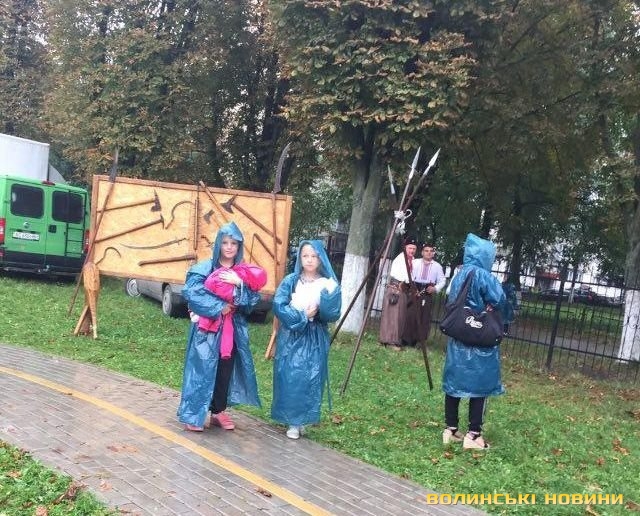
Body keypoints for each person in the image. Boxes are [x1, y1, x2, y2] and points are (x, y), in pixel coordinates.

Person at [177, 222, 263, 432]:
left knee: (225, 370)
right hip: (207, 330)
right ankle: (193, 413)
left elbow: (252, 301)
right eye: (225, 242)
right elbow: (192, 292)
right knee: (201, 368)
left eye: (234, 243)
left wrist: (239, 283)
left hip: (231, 330)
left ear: (239, 246)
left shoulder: (243, 272)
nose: (229, 247)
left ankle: (218, 411)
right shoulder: (204, 269)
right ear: (218, 244)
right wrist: (219, 306)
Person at [441, 233, 513, 450]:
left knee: (454, 385)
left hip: (459, 338)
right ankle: (473, 435)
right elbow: (500, 301)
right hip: (481, 340)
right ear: (486, 256)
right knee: (480, 387)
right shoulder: (484, 276)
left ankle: (451, 429)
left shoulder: (459, 275)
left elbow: (451, 299)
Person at [271, 240, 341, 439]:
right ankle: (293, 420)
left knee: (312, 377)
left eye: (314, 256)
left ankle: (303, 418)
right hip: (292, 336)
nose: (309, 260)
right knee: (292, 376)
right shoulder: (291, 281)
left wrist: (325, 303)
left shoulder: (327, 283)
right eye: (305, 256)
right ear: (300, 258)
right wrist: (302, 316)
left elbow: (333, 313)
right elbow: (279, 305)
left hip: (315, 336)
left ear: (321, 258)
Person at [378, 236, 418, 350]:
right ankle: (390, 341)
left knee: (399, 316)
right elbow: (398, 275)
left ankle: (393, 340)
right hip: (396, 289)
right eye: (410, 248)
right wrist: (408, 282)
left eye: (414, 249)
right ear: (405, 248)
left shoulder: (412, 260)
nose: (412, 251)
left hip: (403, 290)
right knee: (393, 316)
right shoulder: (400, 259)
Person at [407, 243, 446, 344]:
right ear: (422, 252)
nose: (428, 253)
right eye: (426, 251)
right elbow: (408, 275)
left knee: (424, 316)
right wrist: (412, 288)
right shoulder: (415, 262)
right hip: (414, 289)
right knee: (410, 314)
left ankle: (418, 340)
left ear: (433, 253)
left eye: (431, 251)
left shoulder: (437, 266)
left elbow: (442, 281)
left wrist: (435, 288)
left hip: (427, 291)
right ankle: (406, 339)